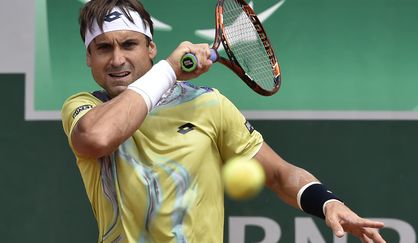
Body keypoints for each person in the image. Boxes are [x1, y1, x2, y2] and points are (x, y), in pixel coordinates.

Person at [61, 0, 386, 242]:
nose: (117, 59)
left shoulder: (207, 104)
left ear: (151, 48)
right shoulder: (86, 109)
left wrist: (327, 202)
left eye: (129, 44)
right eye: (104, 48)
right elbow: (97, 137)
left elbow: (278, 174)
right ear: (89, 58)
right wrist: (168, 70)